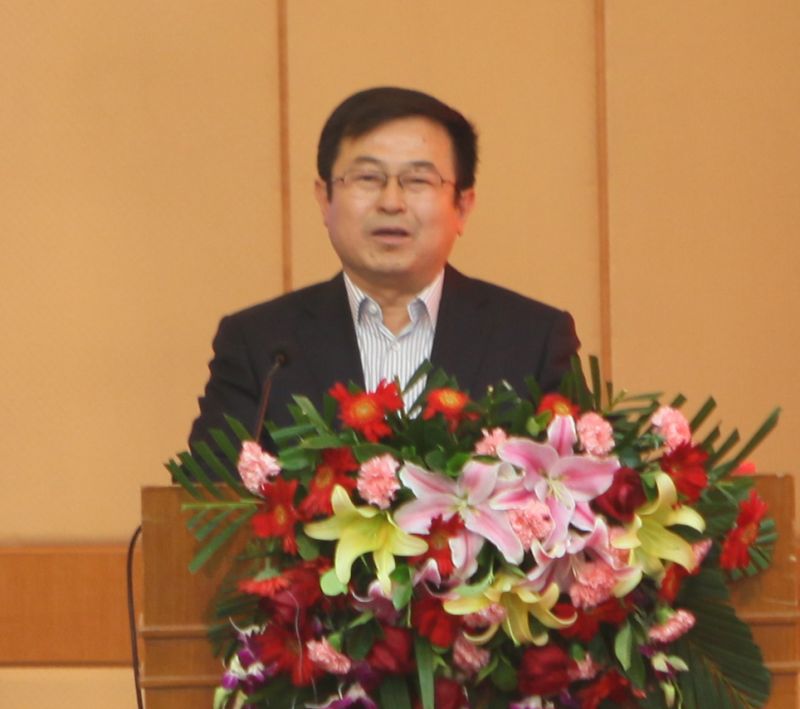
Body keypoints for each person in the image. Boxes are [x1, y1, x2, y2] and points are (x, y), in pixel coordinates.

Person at [189, 87, 579, 450]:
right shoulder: (261, 346)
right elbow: (207, 492)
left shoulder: (533, 341)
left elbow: (578, 480)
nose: (391, 202)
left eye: (418, 179)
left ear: (462, 206)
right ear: (325, 199)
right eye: (368, 178)